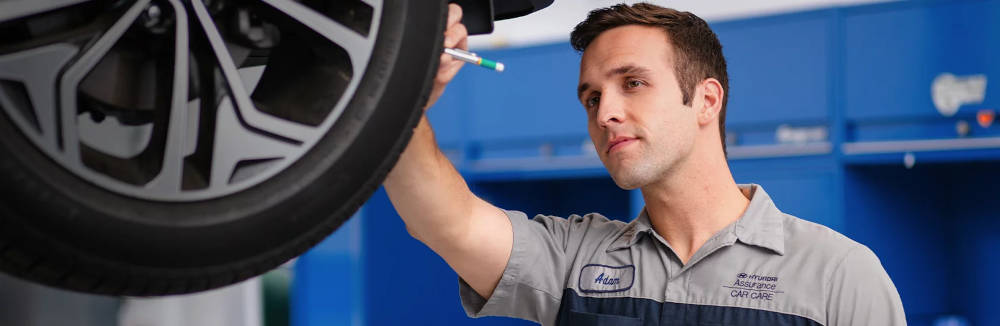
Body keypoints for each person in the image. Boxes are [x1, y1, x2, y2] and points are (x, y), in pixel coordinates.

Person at [383, 3, 906, 325]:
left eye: (632, 82)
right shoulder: (573, 261)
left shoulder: (839, 276)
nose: (605, 112)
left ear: (706, 101)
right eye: (591, 97)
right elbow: (442, 220)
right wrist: (401, 86)